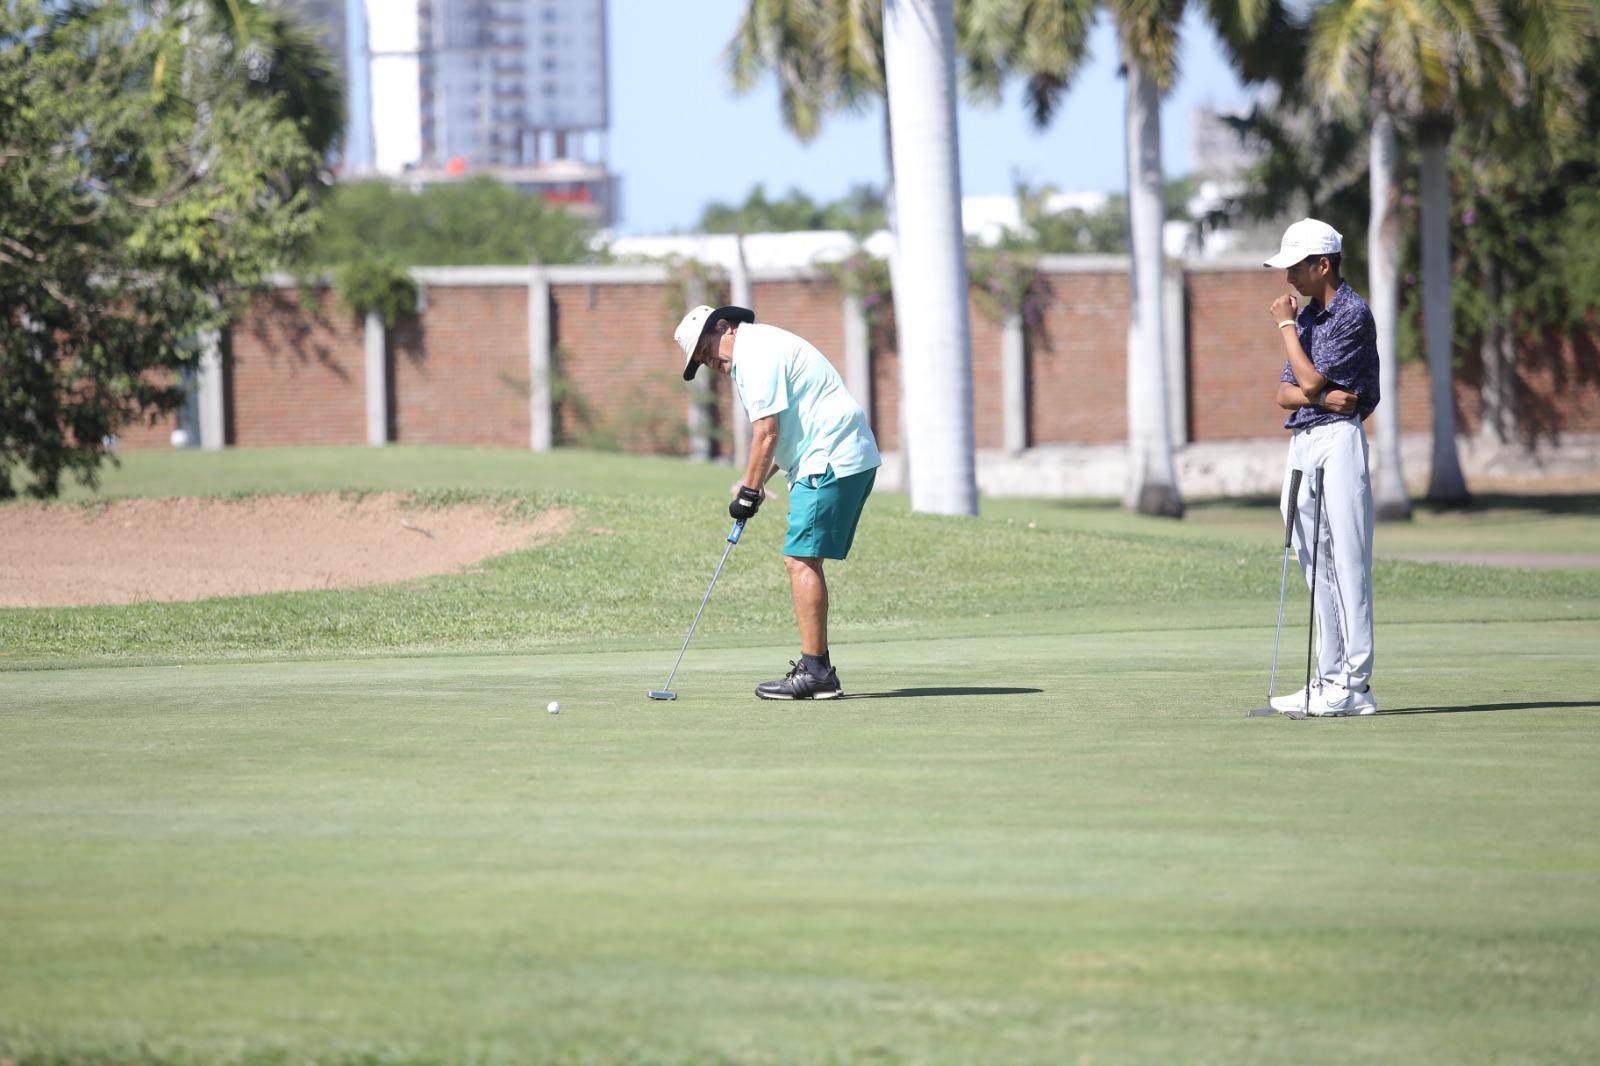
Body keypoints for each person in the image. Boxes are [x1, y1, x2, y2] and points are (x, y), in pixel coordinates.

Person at [673, 305, 881, 700]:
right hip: (835, 455)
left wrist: (749, 494)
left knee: (800, 560)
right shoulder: (762, 346)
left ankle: (817, 673)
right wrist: (751, 483)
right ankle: (818, 670)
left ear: (724, 327)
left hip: (829, 459)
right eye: (701, 360)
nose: (710, 362)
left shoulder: (755, 355)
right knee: (803, 559)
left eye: (707, 349)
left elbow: (766, 433)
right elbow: (784, 432)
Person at [1262, 219, 1381, 717]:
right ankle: (1329, 679)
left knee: (1348, 561)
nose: (1288, 275)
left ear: (1323, 264)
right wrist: (1312, 389)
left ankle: (1354, 687)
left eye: (1296, 265)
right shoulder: (1310, 318)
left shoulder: (1351, 313)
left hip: (1339, 441)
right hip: (1305, 441)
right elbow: (1286, 393)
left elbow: (1307, 382)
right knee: (1316, 565)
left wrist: (1287, 328)